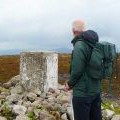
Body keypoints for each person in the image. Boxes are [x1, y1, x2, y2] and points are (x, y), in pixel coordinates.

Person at [64, 20, 102, 120]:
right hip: (96, 91)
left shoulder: (79, 45)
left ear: (73, 31)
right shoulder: (94, 43)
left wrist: (70, 84)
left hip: (83, 94)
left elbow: (77, 70)